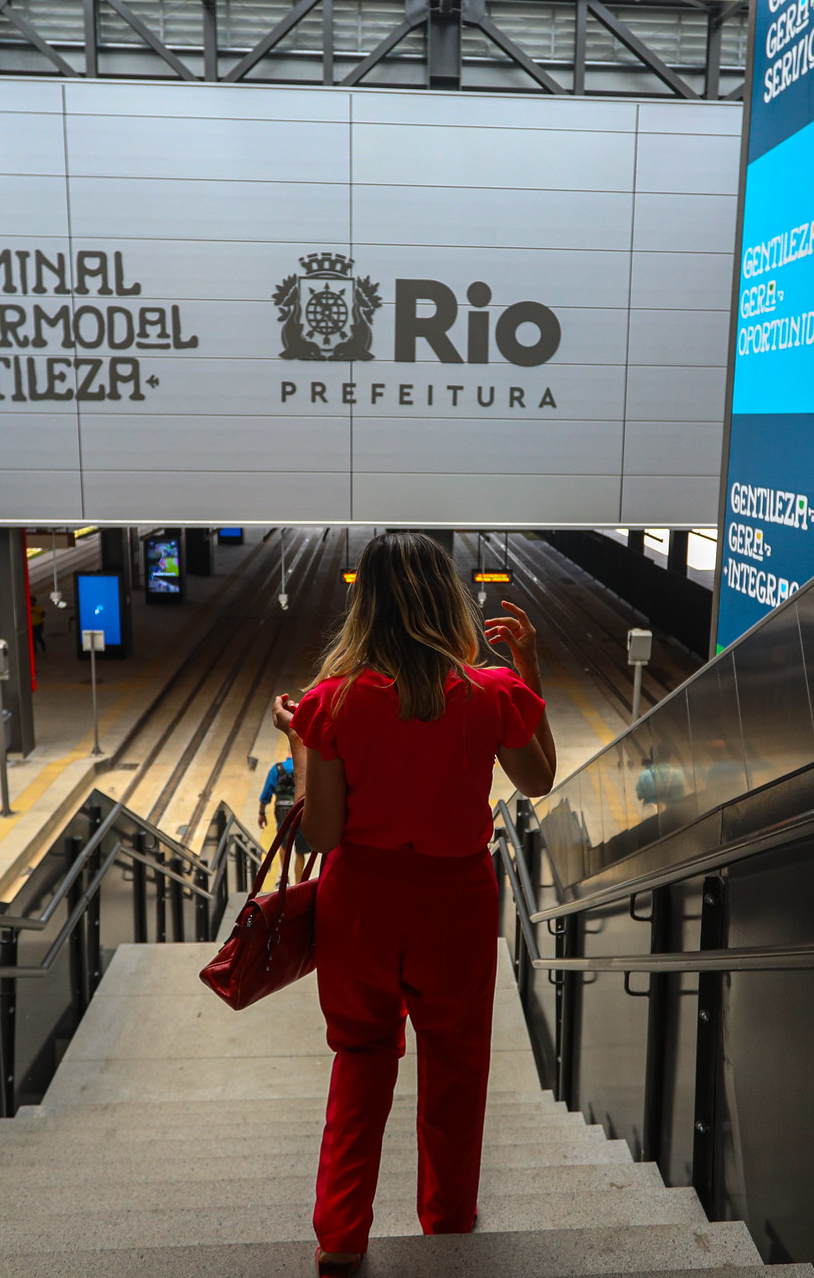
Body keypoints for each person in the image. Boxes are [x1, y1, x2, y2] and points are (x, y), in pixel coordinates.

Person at [272, 532, 556, 1277]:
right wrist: (528, 670)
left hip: (360, 905)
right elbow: (539, 779)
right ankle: (449, 1227)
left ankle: (340, 1235)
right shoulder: (492, 692)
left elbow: (324, 831)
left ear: (366, 604)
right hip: (456, 904)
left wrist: (303, 739)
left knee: (360, 1061)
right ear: (448, 599)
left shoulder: (331, 703)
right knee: (457, 1068)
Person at [257, 739, 310, 857]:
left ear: (288, 751)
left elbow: (265, 795)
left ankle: (284, 875)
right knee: (300, 853)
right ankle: (299, 876)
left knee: (284, 846)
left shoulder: (277, 769)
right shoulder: (306, 768)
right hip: (301, 813)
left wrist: (261, 813)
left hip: (283, 814)